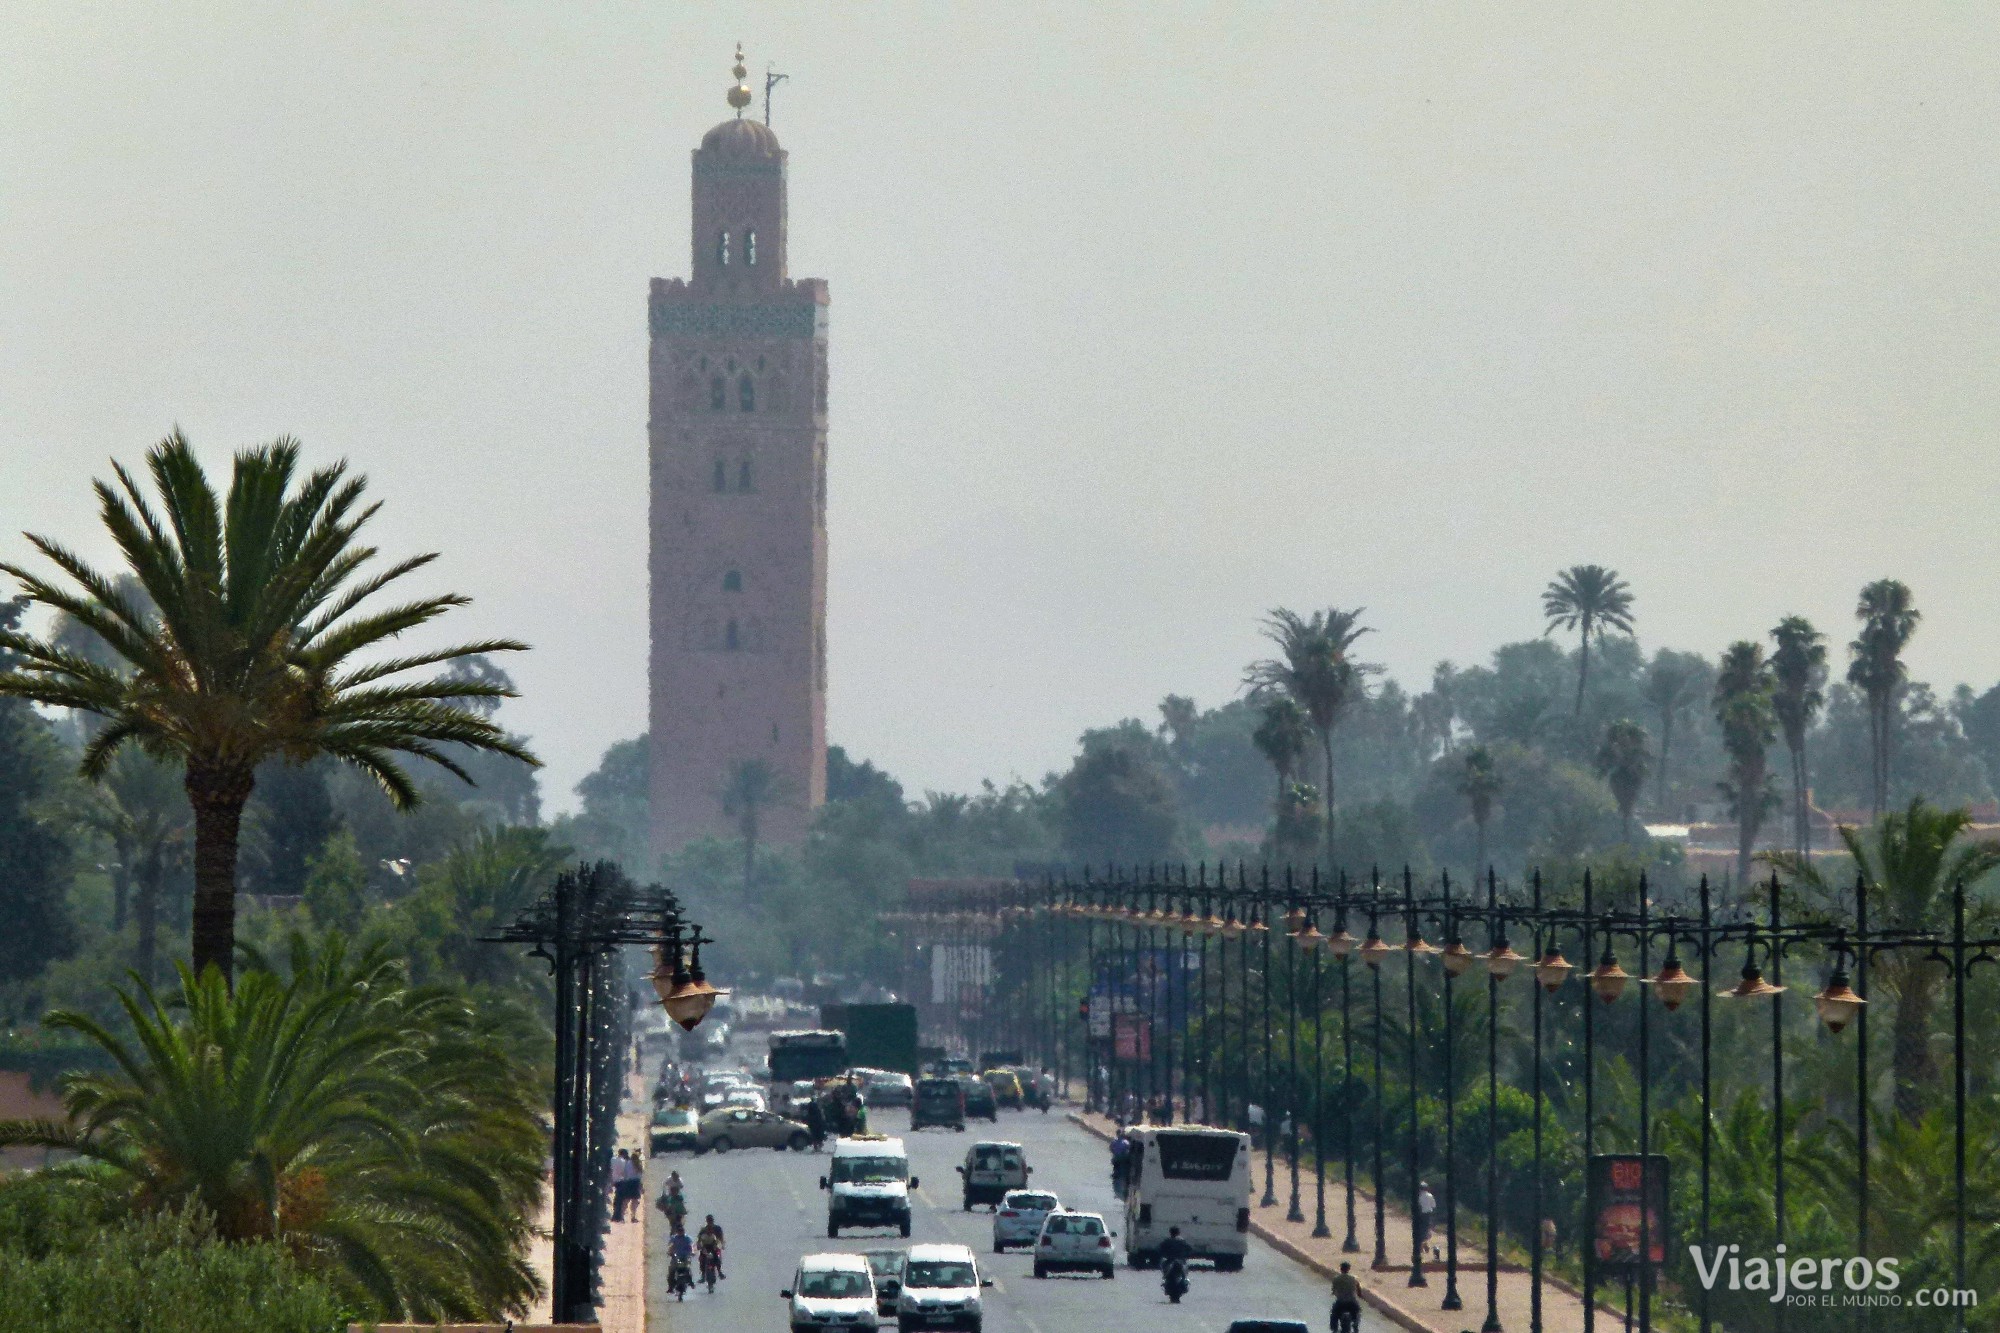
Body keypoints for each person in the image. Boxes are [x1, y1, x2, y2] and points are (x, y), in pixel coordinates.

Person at [1329, 1261, 1362, 1333]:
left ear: (1341, 1269)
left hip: (1340, 1302)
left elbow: (1334, 1290)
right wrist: (1359, 1295)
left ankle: (1334, 1328)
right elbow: (1359, 1289)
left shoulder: (1336, 1278)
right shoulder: (1354, 1278)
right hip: (1352, 1301)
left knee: (1333, 1314)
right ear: (1349, 1269)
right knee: (1358, 1311)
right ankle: (1355, 1326)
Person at [610, 1148, 641, 1221]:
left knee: (626, 1200)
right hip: (635, 1183)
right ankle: (633, 1217)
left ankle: (622, 1216)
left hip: (628, 1182)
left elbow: (624, 1173)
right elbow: (640, 1176)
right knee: (635, 1201)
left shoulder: (627, 1163)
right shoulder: (638, 1165)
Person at [697, 1214, 726, 1280]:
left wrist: (722, 1245)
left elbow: (721, 1238)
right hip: (705, 1247)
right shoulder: (703, 1229)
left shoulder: (717, 1228)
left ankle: (719, 1272)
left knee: (717, 1258)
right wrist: (699, 1246)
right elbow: (699, 1240)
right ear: (706, 1221)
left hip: (715, 1246)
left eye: (711, 1220)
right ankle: (703, 1274)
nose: (710, 1222)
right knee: (702, 1259)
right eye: (708, 1220)